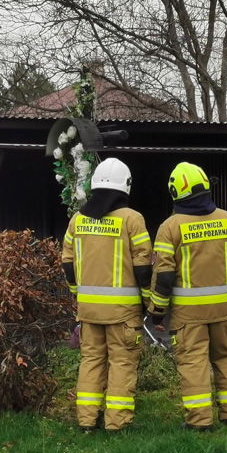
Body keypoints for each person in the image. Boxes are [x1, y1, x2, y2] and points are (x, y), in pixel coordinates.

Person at [148, 162, 227, 430]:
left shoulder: (170, 227)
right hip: (224, 310)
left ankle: (199, 421)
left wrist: (157, 312)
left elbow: (164, 276)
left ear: (175, 192)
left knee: (193, 363)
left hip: (188, 315)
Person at [61, 158, 153, 432]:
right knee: (122, 363)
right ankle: (117, 422)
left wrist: (77, 295)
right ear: (126, 186)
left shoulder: (77, 220)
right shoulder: (132, 219)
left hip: (89, 311)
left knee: (91, 362)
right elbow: (143, 266)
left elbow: (68, 263)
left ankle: (86, 420)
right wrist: (149, 301)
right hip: (123, 312)